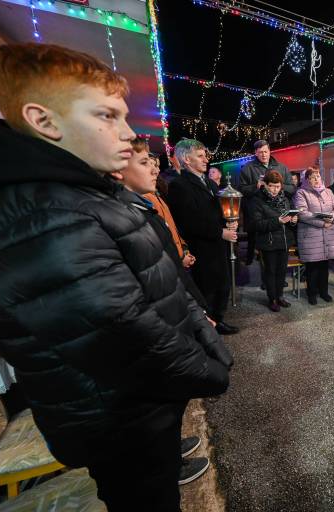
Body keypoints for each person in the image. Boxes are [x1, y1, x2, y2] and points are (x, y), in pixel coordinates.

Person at [0, 43, 231, 511]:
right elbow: (121, 329)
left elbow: (161, 282)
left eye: (123, 117)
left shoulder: (84, 191)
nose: (128, 133)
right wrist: (208, 371)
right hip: (115, 415)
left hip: (137, 405)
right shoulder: (42, 213)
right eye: (106, 116)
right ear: (44, 121)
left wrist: (204, 339)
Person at [114, 136, 228, 484]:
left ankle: (171, 449)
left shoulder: (146, 202)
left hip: (174, 297)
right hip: (158, 319)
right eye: (145, 162)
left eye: (154, 162)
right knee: (159, 400)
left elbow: (169, 243)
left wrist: (183, 252)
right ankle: (167, 466)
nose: (155, 168)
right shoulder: (128, 210)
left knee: (169, 400)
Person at [167, 139, 240, 335]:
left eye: (205, 155)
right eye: (200, 156)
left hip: (218, 245)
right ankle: (206, 328)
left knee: (222, 285)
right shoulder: (179, 185)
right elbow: (188, 222)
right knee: (206, 289)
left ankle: (218, 320)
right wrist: (220, 232)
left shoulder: (209, 182)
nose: (206, 159)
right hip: (201, 248)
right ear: (186, 159)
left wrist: (229, 222)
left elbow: (219, 210)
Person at [236, 140, 295, 265]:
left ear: (270, 151)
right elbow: (241, 190)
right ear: (255, 153)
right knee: (258, 248)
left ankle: (274, 273)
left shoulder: (282, 167)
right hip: (258, 214)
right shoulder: (248, 168)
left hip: (278, 213)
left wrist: (277, 185)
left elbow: (292, 189)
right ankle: (255, 269)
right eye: (260, 152)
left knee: (279, 252)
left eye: (266, 151)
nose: (263, 154)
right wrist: (255, 186)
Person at [248, 171, 297, 311]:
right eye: (271, 186)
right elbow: (256, 224)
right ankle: (272, 299)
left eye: (277, 186)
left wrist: (293, 220)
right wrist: (277, 221)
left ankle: (280, 296)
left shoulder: (285, 199)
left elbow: (290, 219)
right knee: (270, 272)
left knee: (282, 271)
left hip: (284, 241)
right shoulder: (257, 200)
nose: (274, 190)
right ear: (265, 185)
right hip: (268, 242)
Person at [294, 167, 334, 305]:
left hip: (328, 234)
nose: (316, 179)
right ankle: (312, 294)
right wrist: (322, 223)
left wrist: (332, 218)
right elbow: (302, 214)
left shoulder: (328, 191)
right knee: (312, 267)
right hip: (311, 235)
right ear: (307, 180)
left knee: (324, 266)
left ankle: (324, 292)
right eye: (312, 177)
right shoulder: (301, 193)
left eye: (318, 176)